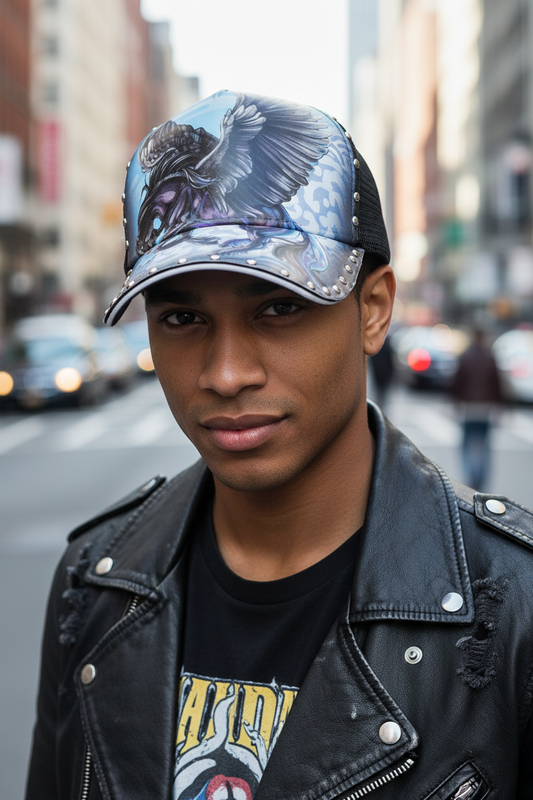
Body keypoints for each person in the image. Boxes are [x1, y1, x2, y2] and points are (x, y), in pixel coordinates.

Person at [25, 91, 533, 800]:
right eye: (180, 317)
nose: (226, 373)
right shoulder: (94, 582)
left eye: (279, 307)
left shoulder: (512, 608)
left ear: (373, 309)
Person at [450, 328, 503, 491]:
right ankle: (480, 478)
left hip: (468, 408)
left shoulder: (465, 357)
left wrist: (455, 401)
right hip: (485, 408)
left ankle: (471, 476)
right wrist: (501, 405)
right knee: (484, 446)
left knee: (467, 445)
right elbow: (497, 385)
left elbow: (456, 382)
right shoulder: (490, 358)